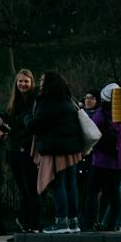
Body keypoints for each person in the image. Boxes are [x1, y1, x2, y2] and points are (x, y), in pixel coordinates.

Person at [26, 70, 89, 233]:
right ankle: (73, 222)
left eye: (42, 81)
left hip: (55, 150)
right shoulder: (69, 100)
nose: (40, 83)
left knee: (58, 185)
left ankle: (61, 222)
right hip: (72, 150)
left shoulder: (47, 102)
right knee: (71, 184)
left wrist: (27, 119)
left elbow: (36, 125)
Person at [5, 69, 41, 232]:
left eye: (26, 81)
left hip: (28, 149)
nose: (23, 84)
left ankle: (33, 222)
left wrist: (18, 137)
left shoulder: (34, 101)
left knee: (31, 188)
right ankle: (26, 222)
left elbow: (30, 126)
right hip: (15, 150)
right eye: (20, 81)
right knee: (23, 189)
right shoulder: (15, 102)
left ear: (31, 83)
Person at [88, 82, 121, 230]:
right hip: (118, 162)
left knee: (92, 192)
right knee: (114, 195)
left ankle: (91, 223)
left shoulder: (100, 115)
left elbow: (90, 134)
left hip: (101, 161)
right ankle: (110, 224)